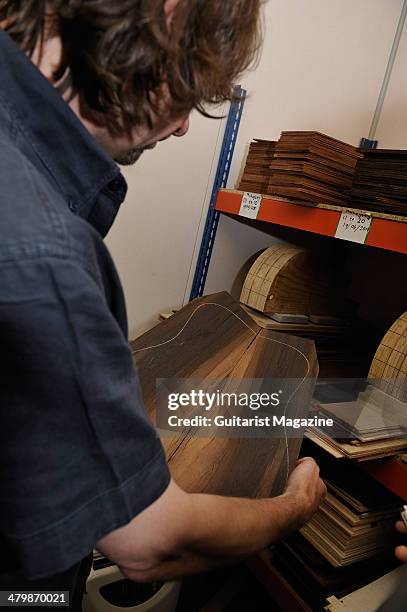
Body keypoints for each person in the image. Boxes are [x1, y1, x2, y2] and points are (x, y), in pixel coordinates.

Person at [0, 1, 326, 608]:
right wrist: (294, 506)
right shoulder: (46, 250)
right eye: (190, 88)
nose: (180, 128)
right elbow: (152, 545)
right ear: (164, 20)